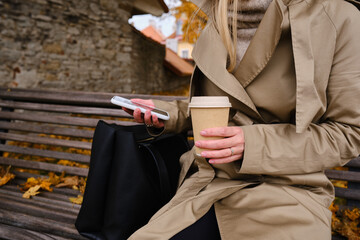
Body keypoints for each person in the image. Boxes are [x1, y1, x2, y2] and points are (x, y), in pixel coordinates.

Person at [123, 0, 360, 239]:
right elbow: (228, 106)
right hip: (210, 186)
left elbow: (349, 133)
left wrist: (253, 145)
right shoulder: (217, 16)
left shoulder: (338, 16)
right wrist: (169, 114)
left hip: (289, 192)